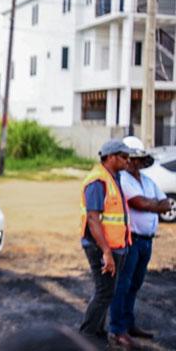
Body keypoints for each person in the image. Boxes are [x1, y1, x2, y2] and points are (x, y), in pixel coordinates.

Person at [108, 136, 171, 347]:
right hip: (131, 241)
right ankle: (117, 330)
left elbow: (166, 202)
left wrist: (156, 204)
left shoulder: (147, 181)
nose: (135, 162)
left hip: (146, 241)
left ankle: (128, 324)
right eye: (132, 158)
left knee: (134, 285)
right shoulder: (123, 180)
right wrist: (155, 204)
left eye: (139, 158)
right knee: (123, 286)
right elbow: (140, 203)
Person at [78, 139, 133, 343]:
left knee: (107, 294)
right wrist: (106, 252)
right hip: (101, 248)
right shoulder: (97, 181)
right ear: (111, 157)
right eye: (124, 157)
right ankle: (86, 338)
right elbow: (93, 219)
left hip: (114, 247)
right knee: (103, 294)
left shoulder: (113, 177)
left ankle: (97, 337)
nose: (128, 161)